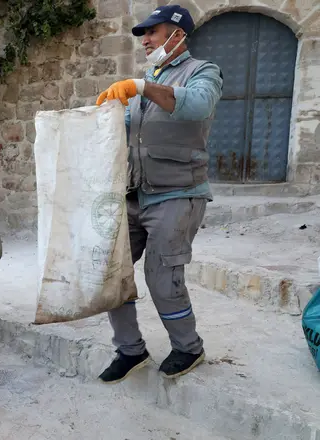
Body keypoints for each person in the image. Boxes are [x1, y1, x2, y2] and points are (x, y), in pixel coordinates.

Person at [94, 5, 223, 383]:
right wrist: (107, 116)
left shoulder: (203, 72)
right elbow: (129, 130)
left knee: (161, 277)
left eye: (153, 32)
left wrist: (141, 87)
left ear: (177, 34)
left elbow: (197, 105)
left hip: (178, 193)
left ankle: (188, 348)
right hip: (134, 195)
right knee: (112, 274)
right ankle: (130, 350)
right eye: (143, 34)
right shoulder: (146, 80)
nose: (145, 40)